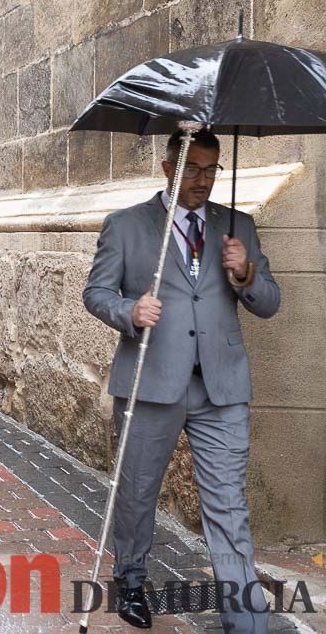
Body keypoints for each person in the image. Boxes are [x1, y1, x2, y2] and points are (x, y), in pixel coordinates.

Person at [83, 129, 279, 633]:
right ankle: (130, 577)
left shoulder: (239, 226)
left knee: (228, 503)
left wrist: (247, 275)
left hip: (221, 386)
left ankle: (246, 621)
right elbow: (96, 293)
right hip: (151, 380)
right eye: (193, 169)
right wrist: (130, 310)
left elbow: (270, 303)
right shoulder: (126, 225)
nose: (203, 180)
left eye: (212, 170)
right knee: (136, 491)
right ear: (169, 168)